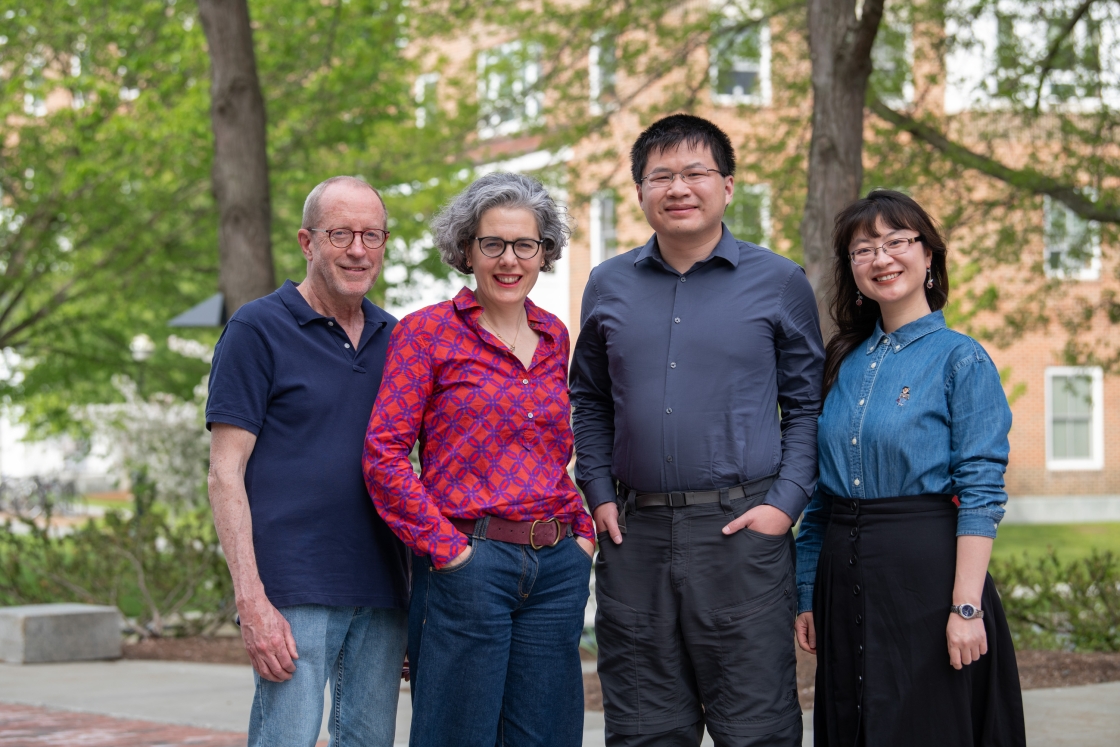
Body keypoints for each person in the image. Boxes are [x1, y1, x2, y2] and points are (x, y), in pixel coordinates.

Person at [570, 114, 824, 747]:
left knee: (756, 729)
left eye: (694, 173)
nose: (678, 188)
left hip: (742, 536)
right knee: (643, 729)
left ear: (727, 186)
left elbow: (808, 405)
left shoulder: (780, 281)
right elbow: (590, 398)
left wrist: (783, 506)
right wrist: (597, 491)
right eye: (661, 175)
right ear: (640, 192)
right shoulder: (608, 284)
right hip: (636, 537)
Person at [363, 172, 595, 747]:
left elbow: (554, 450)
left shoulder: (554, 336)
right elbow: (384, 455)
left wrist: (583, 533)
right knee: (457, 736)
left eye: (525, 245)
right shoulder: (427, 334)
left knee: (547, 737)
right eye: (492, 244)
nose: (509, 259)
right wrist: (450, 552)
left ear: (545, 253)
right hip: (470, 567)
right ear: (466, 249)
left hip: (557, 563)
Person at [793, 190, 1026, 746]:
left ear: (928, 257)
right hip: (841, 580)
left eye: (897, 241)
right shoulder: (840, 362)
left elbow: (981, 492)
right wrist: (806, 593)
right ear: (851, 270)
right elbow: (822, 499)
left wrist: (966, 608)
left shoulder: (960, 358)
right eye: (863, 249)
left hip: (927, 582)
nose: (882, 258)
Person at [206, 176, 409, 747]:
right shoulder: (257, 328)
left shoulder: (397, 338)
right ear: (307, 242)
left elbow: (409, 467)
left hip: (382, 587)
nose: (357, 249)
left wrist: (417, 597)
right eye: (340, 233)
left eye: (372, 235)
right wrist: (251, 599)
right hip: (290, 589)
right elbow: (225, 474)